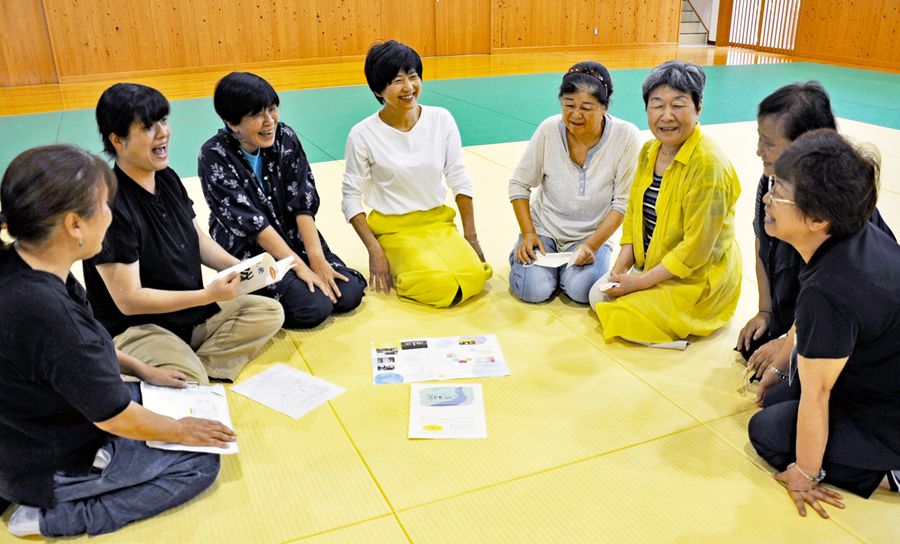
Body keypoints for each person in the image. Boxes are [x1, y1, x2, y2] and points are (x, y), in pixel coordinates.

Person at [0, 145, 235, 537]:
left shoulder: (25, 262)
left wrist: (142, 370)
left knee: (171, 396)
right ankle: (51, 517)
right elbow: (113, 415)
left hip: (38, 420)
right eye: (105, 206)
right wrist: (181, 432)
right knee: (201, 462)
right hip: (50, 458)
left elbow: (87, 347)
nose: (111, 216)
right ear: (75, 224)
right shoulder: (48, 314)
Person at [84, 83, 284, 384]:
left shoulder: (166, 177)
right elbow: (130, 300)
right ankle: (181, 368)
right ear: (118, 140)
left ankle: (195, 366)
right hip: (139, 328)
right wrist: (206, 294)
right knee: (189, 382)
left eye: (163, 120)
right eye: (149, 127)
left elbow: (198, 239)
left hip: (189, 314)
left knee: (269, 312)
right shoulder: (110, 205)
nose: (163, 132)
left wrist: (241, 269)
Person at [747, 129, 900, 518]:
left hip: (888, 413)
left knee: (769, 433)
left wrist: (804, 474)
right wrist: (782, 362)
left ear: (816, 218)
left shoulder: (830, 289)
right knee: (783, 393)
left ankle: (892, 474)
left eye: (777, 192)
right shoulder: (856, 230)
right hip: (876, 378)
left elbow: (818, 394)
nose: (767, 199)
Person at [735, 81, 894, 376]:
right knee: (752, 346)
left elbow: (827, 286)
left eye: (769, 143)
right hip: (805, 305)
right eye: (759, 139)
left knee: (778, 401)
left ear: (806, 146)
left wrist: (786, 345)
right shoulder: (770, 182)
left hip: (842, 321)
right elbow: (761, 242)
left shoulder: (836, 205)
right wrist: (765, 311)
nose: (758, 151)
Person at [588, 61, 741, 344]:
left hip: (697, 279)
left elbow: (695, 251)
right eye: (657, 105)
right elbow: (634, 216)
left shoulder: (709, 165)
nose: (666, 115)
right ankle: (649, 297)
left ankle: (677, 317)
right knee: (598, 296)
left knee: (619, 316)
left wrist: (639, 282)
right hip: (656, 265)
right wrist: (621, 268)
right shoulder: (649, 150)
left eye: (678, 105)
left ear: (698, 108)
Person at [199, 72, 366, 329]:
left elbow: (303, 201)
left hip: (292, 236)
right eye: (257, 115)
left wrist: (317, 260)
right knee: (313, 306)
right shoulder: (213, 155)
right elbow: (253, 225)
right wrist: (300, 267)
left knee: (349, 292)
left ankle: (303, 280)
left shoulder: (284, 136)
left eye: (272, 109)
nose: (269, 122)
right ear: (232, 124)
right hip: (250, 250)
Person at [342, 40, 492, 307]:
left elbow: (459, 177)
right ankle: (404, 261)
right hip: (393, 230)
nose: (409, 87)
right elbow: (350, 198)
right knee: (439, 286)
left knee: (473, 277)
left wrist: (471, 237)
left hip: (437, 222)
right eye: (397, 81)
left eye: (413, 77)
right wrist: (375, 251)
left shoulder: (441, 119)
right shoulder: (362, 134)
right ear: (378, 89)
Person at [507, 61, 640, 304]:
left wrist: (591, 245)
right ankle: (529, 260)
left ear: (605, 107)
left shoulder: (626, 136)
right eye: (569, 105)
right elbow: (518, 185)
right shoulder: (549, 130)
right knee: (533, 290)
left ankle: (560, 270)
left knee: (581, 290)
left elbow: (622, 204)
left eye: (586, 107)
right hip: (544, 231)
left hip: (591, 235)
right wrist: (528, 234)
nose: (576, 114)